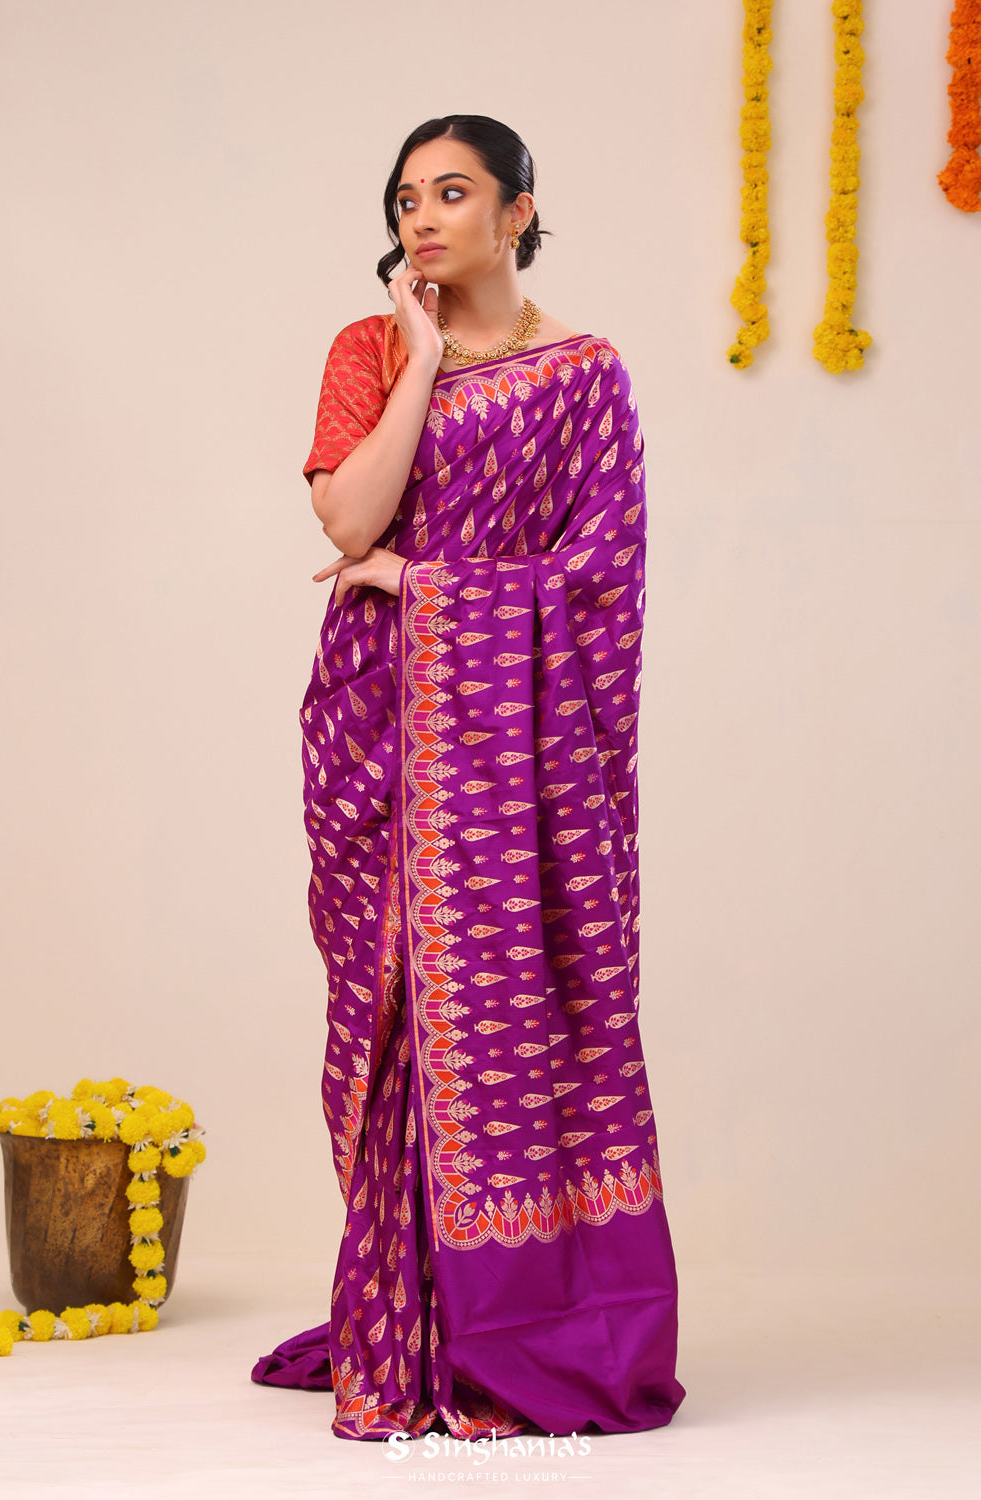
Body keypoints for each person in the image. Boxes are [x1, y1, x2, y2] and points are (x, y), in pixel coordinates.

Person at [250, 114, 687, 1443]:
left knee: (520, 1008)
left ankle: (518, 1323)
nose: (424, 218)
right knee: (388, 1009)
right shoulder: (370, 349)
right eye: (406, 199)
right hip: (377, 725)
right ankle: (406, 1322)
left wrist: (424, 586)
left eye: (453, 193)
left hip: (514, 751)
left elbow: (600, 579)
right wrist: (425, 358)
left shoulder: (586, 377)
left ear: (518, 210)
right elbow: (348, 516)